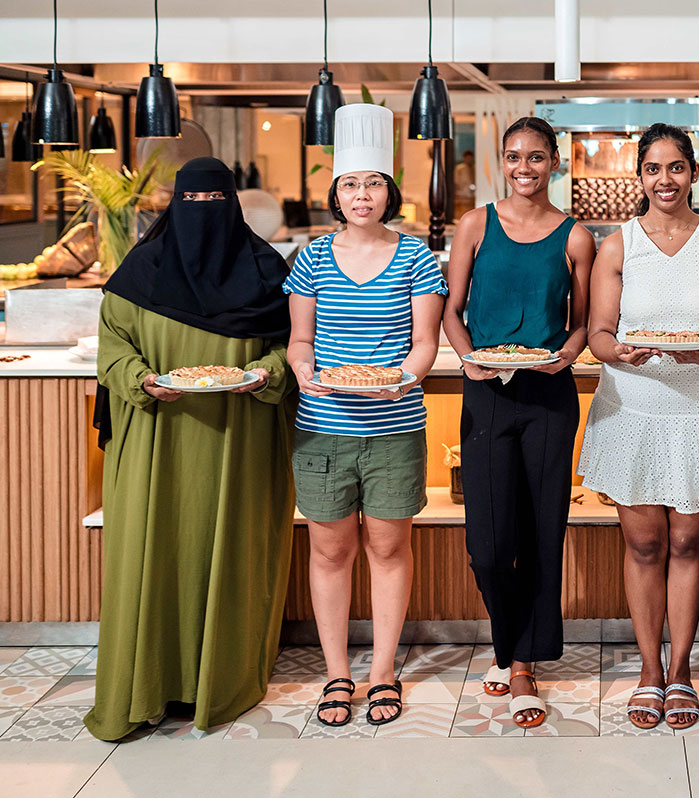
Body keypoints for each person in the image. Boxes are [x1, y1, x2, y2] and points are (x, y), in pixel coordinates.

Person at [85, 157, 295, 741]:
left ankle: (218, 682)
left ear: (234, 205)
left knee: (230, 549)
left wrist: (264, 374)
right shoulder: (137, 274)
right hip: (157, 441)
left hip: (240, 442)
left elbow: (293, 345)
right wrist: (142, 381)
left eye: (215, 203)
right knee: (155, 551)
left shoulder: (265, 271)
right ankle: (146, 685)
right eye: (192, 202)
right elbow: (114, 348)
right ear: (174, 204)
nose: (203, 215)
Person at [578, 123, 699, 730]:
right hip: (634, 409)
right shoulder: (618, 246)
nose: (665, 180)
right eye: (653, 169)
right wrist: (615, 352)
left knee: (687, 543)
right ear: (641, 177)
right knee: (644, 544)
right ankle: (649, 672)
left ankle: (682, 674)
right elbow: (599, 331)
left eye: (676, 168)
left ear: (694, 175)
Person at [284, 104, 446, 727]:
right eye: (350, 184)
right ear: (336, 192)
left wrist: (401, 380)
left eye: (373, 184)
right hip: (323, 427)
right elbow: (301, 342)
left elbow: (425, 345)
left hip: (394, 426)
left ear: (389, 192)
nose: (362, 195)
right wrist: (305, 373)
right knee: (329, 552)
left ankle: (381, 673)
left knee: (388, 548)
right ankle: (335, 674)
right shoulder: (313, 258)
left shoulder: (416, 257)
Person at [443, 116, 595, 729]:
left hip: (549, 396)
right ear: (500, 163)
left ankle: (522, 663)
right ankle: (509, 641)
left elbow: (581, 321)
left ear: (555, 162)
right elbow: (453, 311)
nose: (524, 168)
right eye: (513, 157)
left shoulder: (575, 236)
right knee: (487, 545)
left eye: (536, 157)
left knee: (540, 534)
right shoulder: (475, 225)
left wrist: (568, 353)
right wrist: (467, 359)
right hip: (486, 395)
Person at [454, 150, 477, 220]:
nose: (469, 160)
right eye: (467, 158)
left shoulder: (476, 168)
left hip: (474, 196)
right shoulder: (459, 169)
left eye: (470, 158)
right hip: (462, 195)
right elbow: (456, 182)